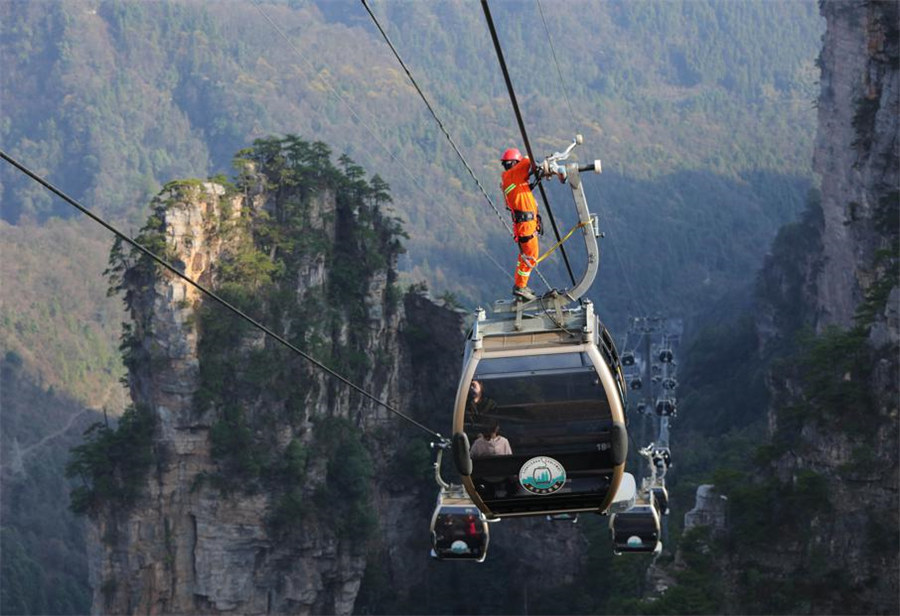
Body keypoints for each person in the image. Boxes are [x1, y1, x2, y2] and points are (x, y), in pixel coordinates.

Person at [500, 147, 564, 301]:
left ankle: (520, 286)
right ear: (514, 163)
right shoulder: (513, 174)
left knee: (526, 256)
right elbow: (527, 161)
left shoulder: (512, 181)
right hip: (526, 224)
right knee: (530, 256)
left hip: (525, 224)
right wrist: (540, 165)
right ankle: (521, 287)